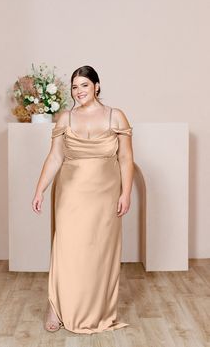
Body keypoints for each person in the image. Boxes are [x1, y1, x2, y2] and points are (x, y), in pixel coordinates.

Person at [32, 65, 134, 334]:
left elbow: (125, 158)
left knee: (99, 252)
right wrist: (40, 189)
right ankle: (55, 305)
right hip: (70, 192)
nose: (79, 91)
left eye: (84, 85)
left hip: (105, 194)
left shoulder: (116, 117)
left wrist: (126, 192)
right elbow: (55, 157)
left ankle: (96, 309)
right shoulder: (65, 118)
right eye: (74, 87)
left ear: (97, 86)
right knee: (67, 249)